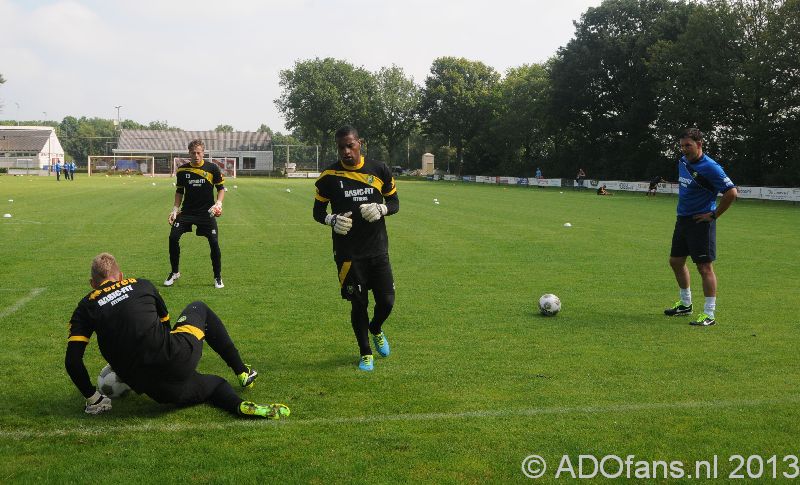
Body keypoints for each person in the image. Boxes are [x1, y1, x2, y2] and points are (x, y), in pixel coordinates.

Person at [65, 253, 289, 418]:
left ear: (92, 284)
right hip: (175, 357)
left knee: (213, 386)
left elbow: (72, 361)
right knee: (199, 307)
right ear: (121, 276)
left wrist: (93, 399)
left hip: (155, 389)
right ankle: (242, 372)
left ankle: (238, 406)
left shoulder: (86, 306)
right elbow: (166, 325)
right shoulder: (141, 284)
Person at [313, 125, 399, 371]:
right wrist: (331, 220)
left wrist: (383, 209)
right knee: (358, 303)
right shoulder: (329, 176)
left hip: (377, 248)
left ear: (360, 143)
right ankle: (365, 353)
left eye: (350, 145)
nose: (346, 151)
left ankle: (376, 328)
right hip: (348, 253)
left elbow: (394, 201)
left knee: (387, 301)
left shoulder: (379, 169)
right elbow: (318, 212)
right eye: (341, 147)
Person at [664, 128, 737, 326]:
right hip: (683, 219)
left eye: (688, 145)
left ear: (699, 144)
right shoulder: (682, 161)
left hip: (701, 222)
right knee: (676, 261)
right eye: (681, 146)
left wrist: (713, 215)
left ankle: (709, 314)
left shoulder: (711, 167)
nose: (684, 149)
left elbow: (731, 192)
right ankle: (686, 304)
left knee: (704, 267)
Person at [165, 139, 226, 289]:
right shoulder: (182, 170)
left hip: (207, 214)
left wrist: (219, 203)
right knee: (173, 237)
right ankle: (175, 272)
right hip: (187, 212)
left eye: (199, 153)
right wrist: (174, 209)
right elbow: (179, 191)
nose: (196, 155)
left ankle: (217, 277)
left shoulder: (213, 168)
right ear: (189, 153)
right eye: (193, 153)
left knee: (214, 243)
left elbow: (221, 188)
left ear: (203, 153)